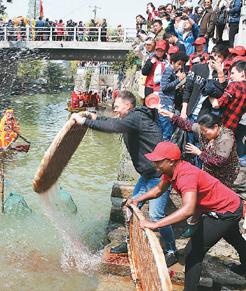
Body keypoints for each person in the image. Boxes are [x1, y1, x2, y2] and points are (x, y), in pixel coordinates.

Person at [70, 91, 178, 267]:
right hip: (147, 174)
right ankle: (129, 243)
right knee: (131, 206)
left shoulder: (136, 118)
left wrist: (84, 122)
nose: (115, 109)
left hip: (159, 175)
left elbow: (114, 127)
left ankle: (172, 250)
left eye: (117, 106)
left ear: (128, 106)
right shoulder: (131, 118)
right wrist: (93, 116)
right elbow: (113, 122)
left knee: (156, 215)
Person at [128, 141, 246, 291]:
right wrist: (139, 198)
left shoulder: (186, 175)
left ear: (171, 162)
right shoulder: (170, 171)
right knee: (233, 237)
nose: (155, 165)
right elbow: (159, 189)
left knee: (192, 250)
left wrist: (156, 224)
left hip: (226, 211)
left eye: (158, 162)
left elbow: (188, 210)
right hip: (228, 204)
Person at [158, 51, 189, 141]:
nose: (180, 67)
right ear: (173, 62)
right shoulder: (168, 71)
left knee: (163, 133)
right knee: (166, 134)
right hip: (166, 105)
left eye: (182, 65)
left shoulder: (171, 72)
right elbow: (164, 87)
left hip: (164, 105)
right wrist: (178, 80)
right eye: (178, 64)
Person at [210, 60, 246, 133]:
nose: (231, 77)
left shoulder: (233, 85)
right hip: (235, 129)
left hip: (223, 127)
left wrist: (209, 93)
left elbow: (216, 104)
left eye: (233, 73)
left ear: (242, 73)